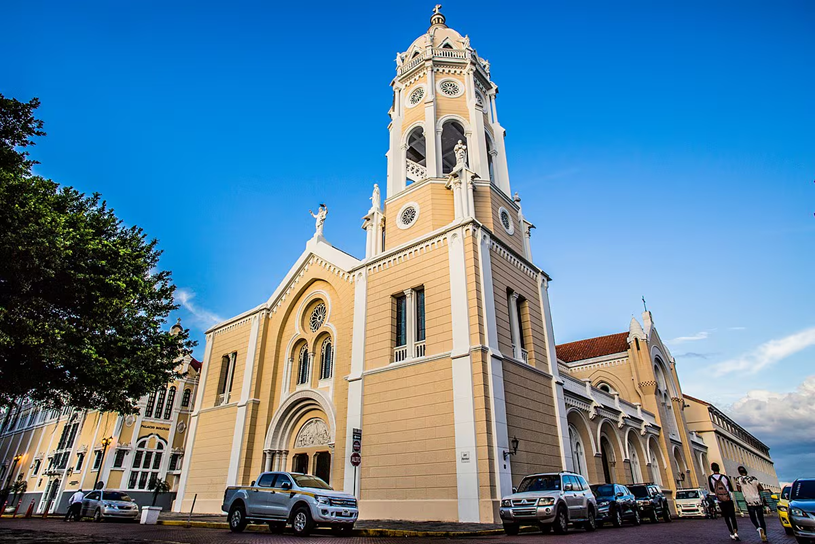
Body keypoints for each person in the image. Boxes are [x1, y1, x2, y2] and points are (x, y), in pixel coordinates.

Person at [736, 465, 768, 542]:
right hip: (757, 500)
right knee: (761, 518)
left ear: (739, 472)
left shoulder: (739, 480)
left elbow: (739, 490)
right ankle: (765, 535)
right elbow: (761, 488)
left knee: (753, 517)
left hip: (749, 500)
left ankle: (758, 528)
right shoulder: (753, 478)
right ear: (746, 471)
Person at [709, 463, 739, 541]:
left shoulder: (710, 478)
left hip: (720, 499)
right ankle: (736, 531)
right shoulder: (724, 477)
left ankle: (731, 532)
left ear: (712, 469)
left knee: (726, 517)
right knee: (732, 516)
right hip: (728, 499)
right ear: (719, 468)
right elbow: (731, 488)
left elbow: (712, 489)